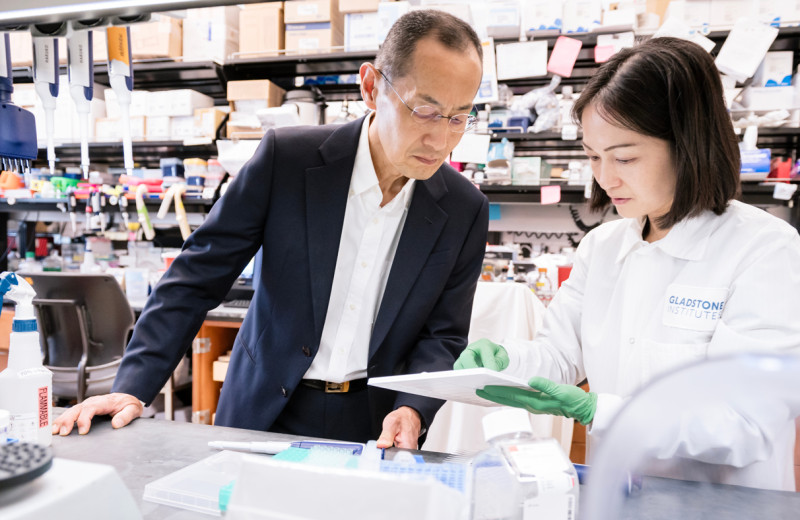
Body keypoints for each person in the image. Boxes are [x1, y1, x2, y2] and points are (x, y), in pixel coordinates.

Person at [53, 10, 489, 449]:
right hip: (263, 412)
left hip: (374, 426)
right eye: (426, 111)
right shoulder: (289, 160)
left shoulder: (464, 209)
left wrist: (412, 406)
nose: (442, 141)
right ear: (372, 88)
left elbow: (444, 333)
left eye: (458, 118)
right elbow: (195, 278)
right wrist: (131, 386)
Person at [455, 37, 800, 490]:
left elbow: (746, 424)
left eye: (624, 157)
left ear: (689, 144)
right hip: (618, 496)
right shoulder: (602, 247)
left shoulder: (765, 249)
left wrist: (600, 410)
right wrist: (506, 360)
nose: (605, 176)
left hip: (724, 504)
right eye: (593, 156)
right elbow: (558, 355)